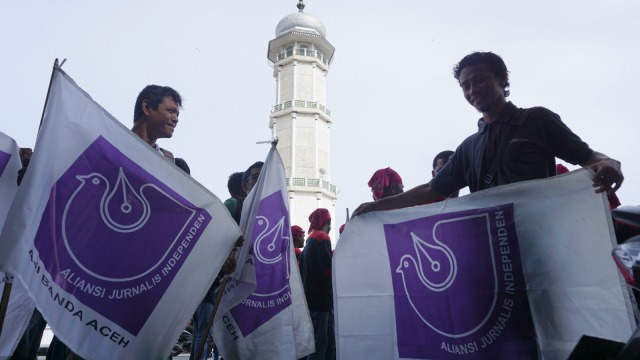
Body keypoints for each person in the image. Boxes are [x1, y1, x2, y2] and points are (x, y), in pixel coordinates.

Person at [354, 51, 623, 216]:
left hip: (544, 241)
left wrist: (608, 162)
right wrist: (376, 207)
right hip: (493, 248)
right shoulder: (469, 147)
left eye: (480, 79)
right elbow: (431, 189)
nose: (473, 90)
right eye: (465, 85)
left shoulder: (537, 119)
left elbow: (588, 156)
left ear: (502, 79)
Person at [300, 208, 335, 360]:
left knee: (326, 342)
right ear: (328, 222)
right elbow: (328, 268)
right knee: (319, 344)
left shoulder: (310, 240)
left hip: (312, 300)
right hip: (320, 301)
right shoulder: (322, 238)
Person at [131, 85, 182, 161]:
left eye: (177, 115)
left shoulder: (168, 161)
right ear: (147, 107)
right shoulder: (113, 142)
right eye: (170, 111)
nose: (176, 119)